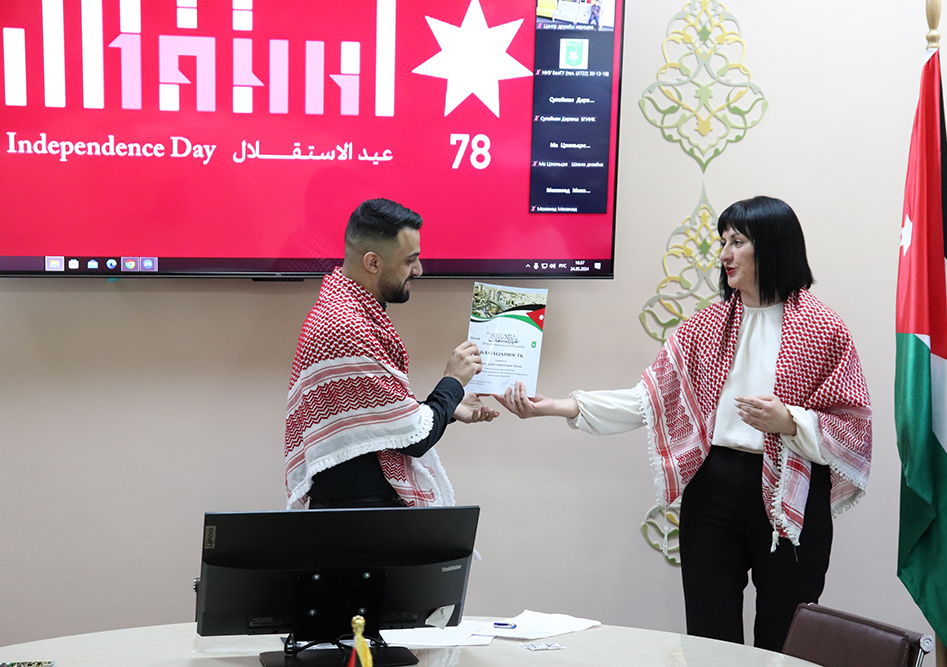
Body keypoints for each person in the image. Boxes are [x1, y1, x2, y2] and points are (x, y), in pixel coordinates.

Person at [494, 196, 872, 651]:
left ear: (773, 246)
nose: (724, 254)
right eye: (723, 241)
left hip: (793, 492)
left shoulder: (824, 328)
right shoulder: (707, 326)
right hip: (714, 488)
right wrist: (556, 406)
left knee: (785, 637)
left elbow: (853, 429)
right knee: (709, 637)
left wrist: (790, 422)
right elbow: (649, 400)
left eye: (737, 242)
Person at [285, 198, 499, 510]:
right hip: (358, 521)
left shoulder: (346, 310)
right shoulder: (345, 327)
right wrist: (453, 381)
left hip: (359, 512)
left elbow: (379, 421)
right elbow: (414, 439)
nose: (419, 270)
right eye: (410, 260)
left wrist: (450, 407)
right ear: (373, 263)